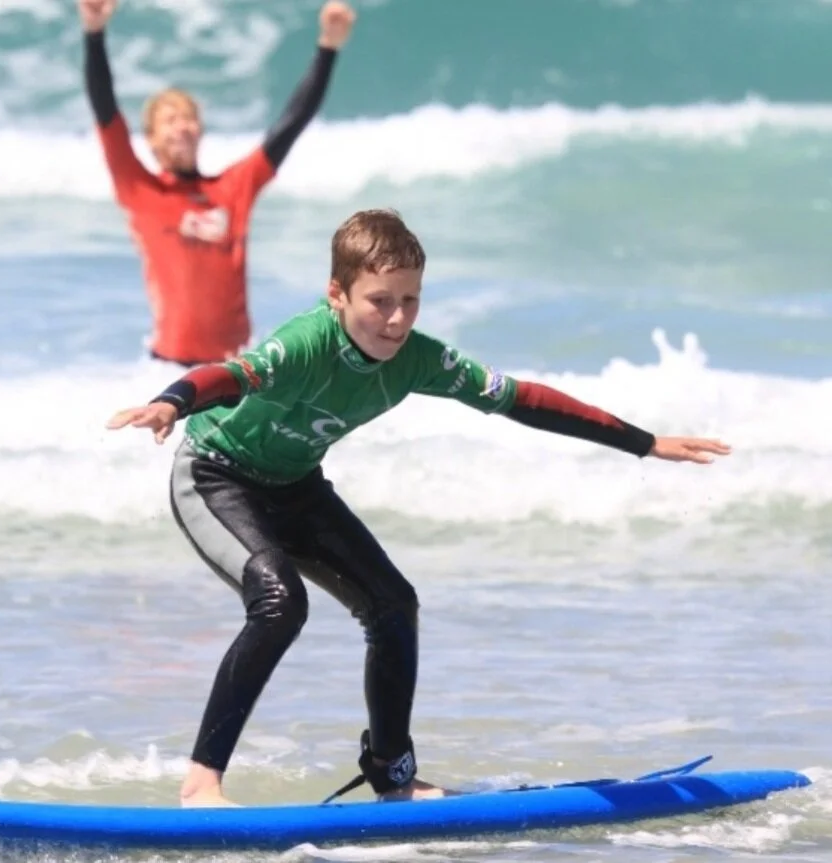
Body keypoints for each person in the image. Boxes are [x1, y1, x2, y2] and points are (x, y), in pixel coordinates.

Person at [107, 209, 732, 808]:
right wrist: (172, 401)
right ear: (337, 294)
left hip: (295, 485)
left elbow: (522, 399)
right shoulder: (304, 343)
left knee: (393, 604)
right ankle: (201, 787)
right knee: (279, 603)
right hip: (217, 474)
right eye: (380, 301)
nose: (397, 319)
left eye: (410, 300)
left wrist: (644, 442)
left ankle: (393, 776)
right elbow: (227, 375)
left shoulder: (419, 360)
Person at [79, 0, 357, 367]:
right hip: (167, 369)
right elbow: (106, 113)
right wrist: (94, 34)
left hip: (236, 367)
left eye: (189, 118)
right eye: (170, 120)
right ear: (152, 139)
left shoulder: (233, 187)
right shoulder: (140, 190)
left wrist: (328, 47)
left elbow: (290, 125)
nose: (182, 126)